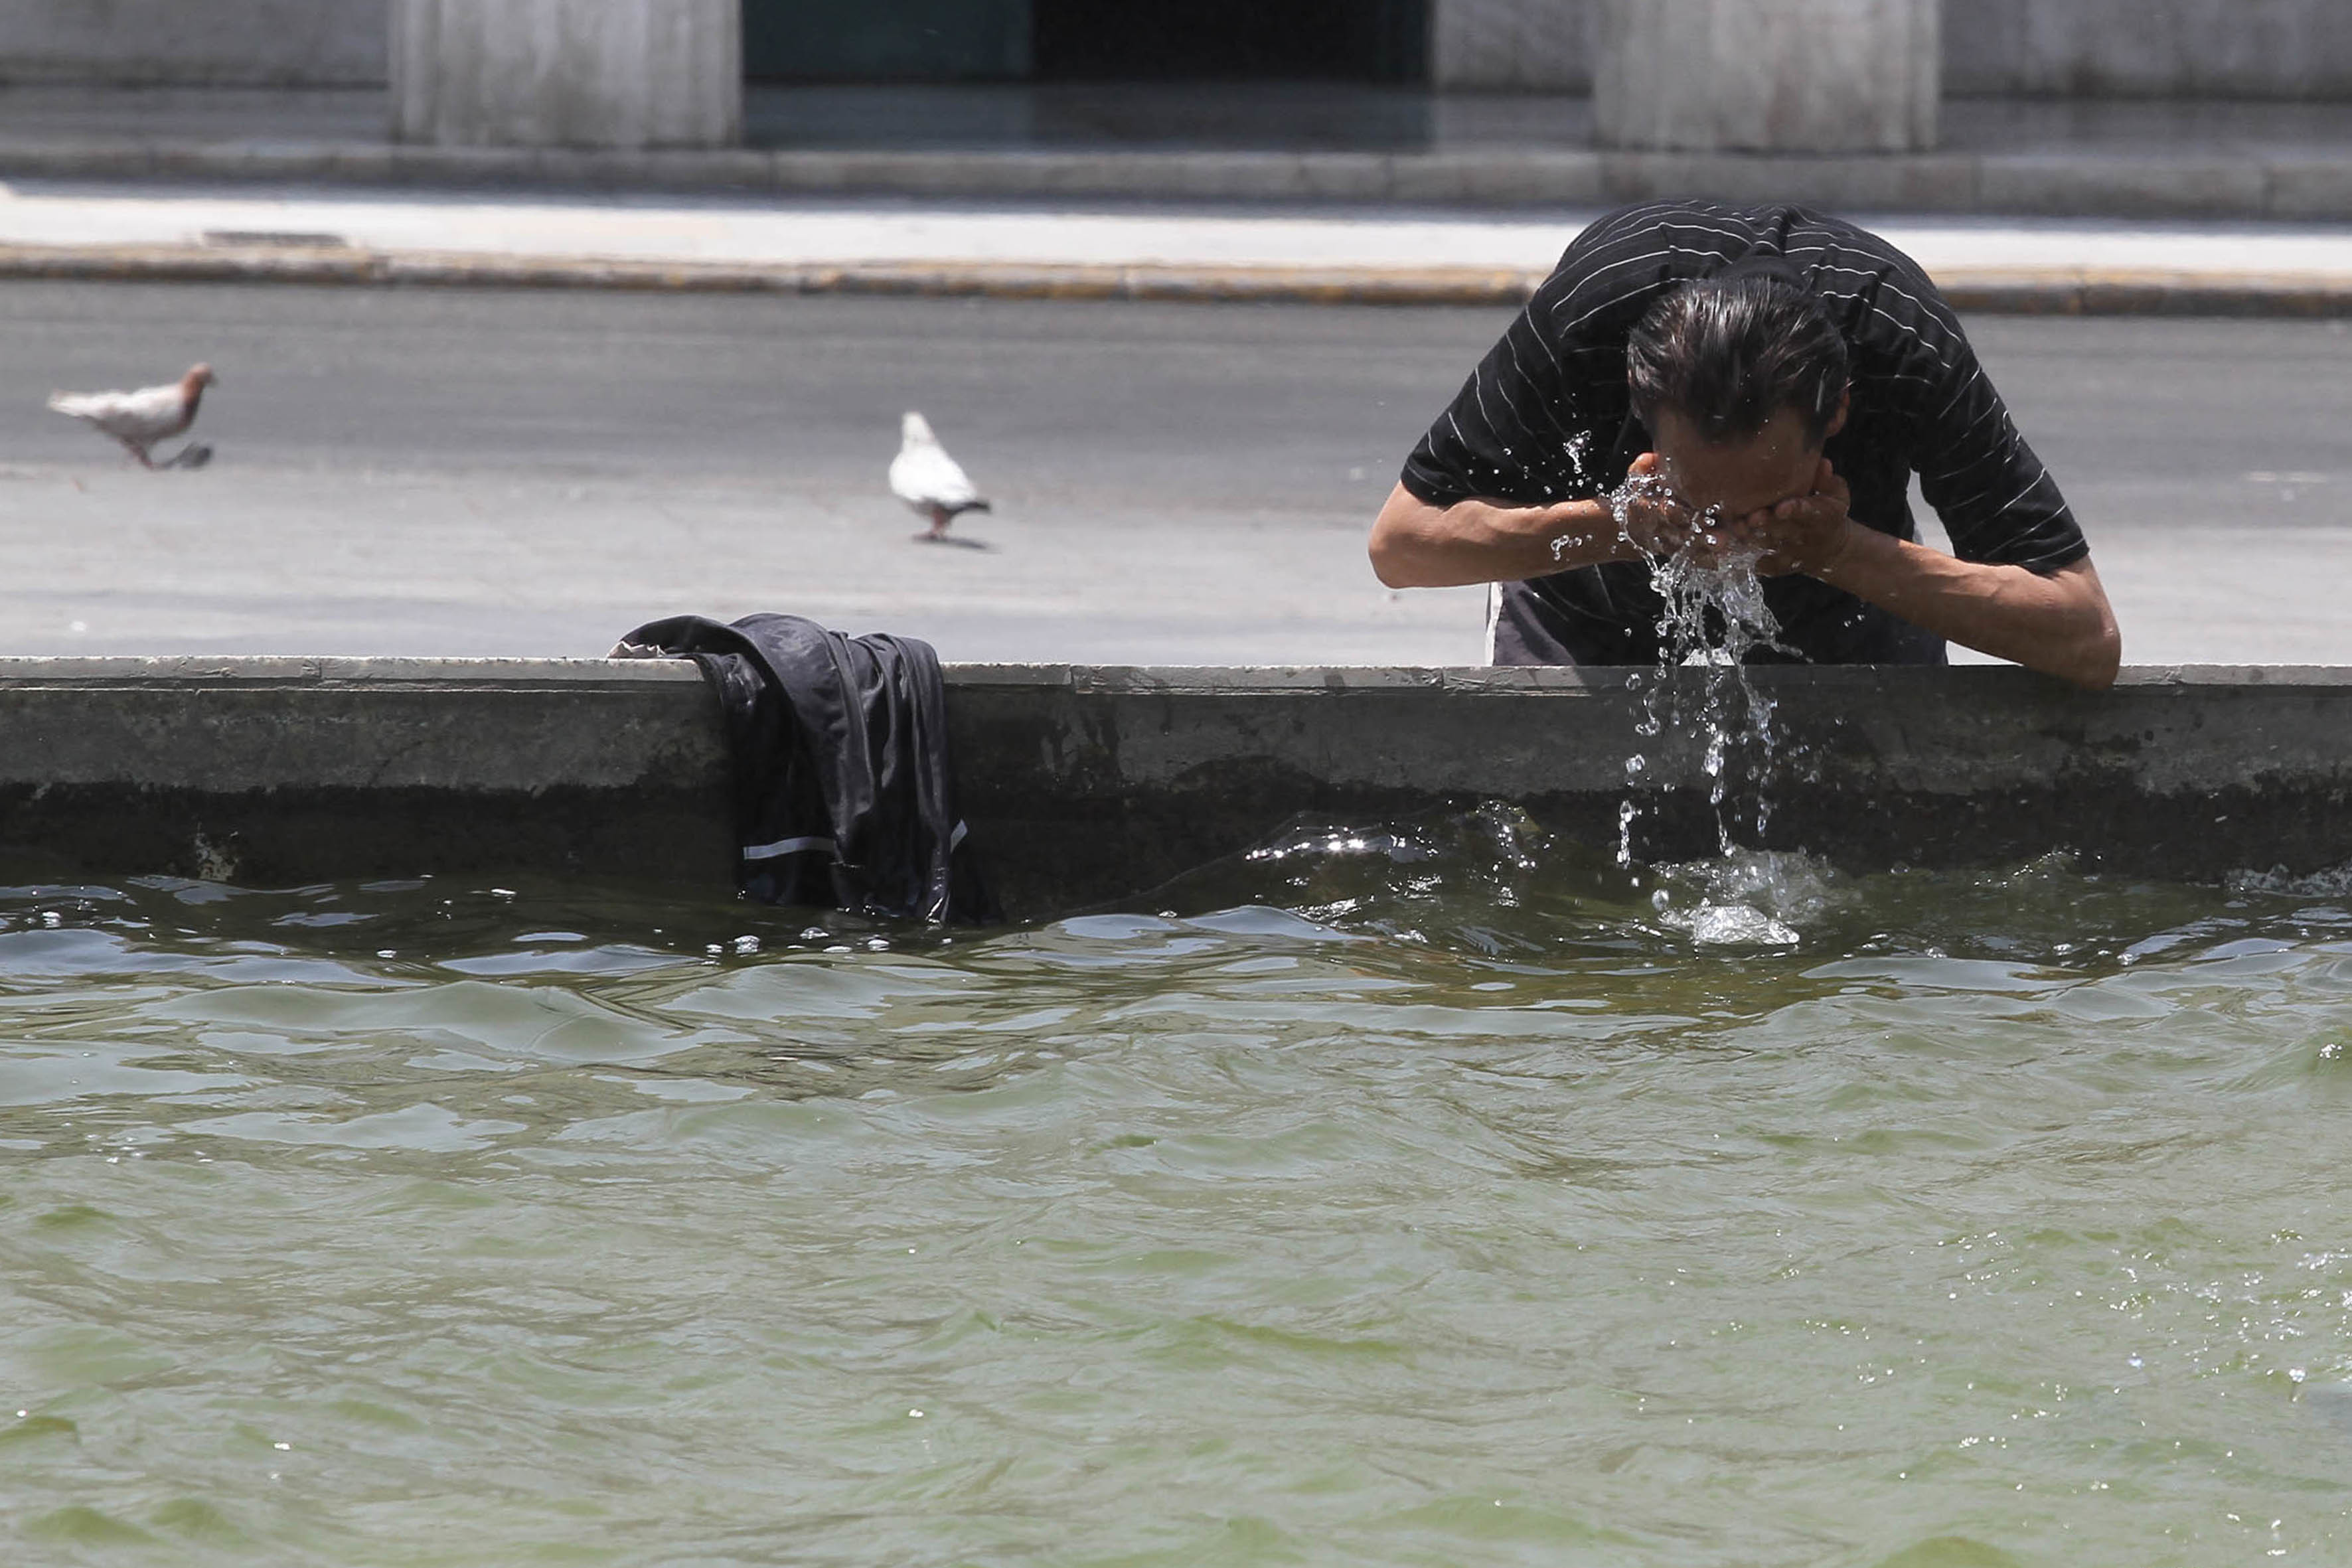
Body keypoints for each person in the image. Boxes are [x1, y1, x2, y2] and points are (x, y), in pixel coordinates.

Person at [1367, 200, 2122, 689]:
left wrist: (1841, 552)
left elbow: (2085, 634)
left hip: (1849, 601)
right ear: (1641, 409)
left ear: (1839, 415)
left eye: (1767, 509)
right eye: (1695, 505)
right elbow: (1403, 544)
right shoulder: (1595, 312)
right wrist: (1616, 527)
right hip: (1586, 605)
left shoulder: (1901, 338)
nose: (1726, 541)